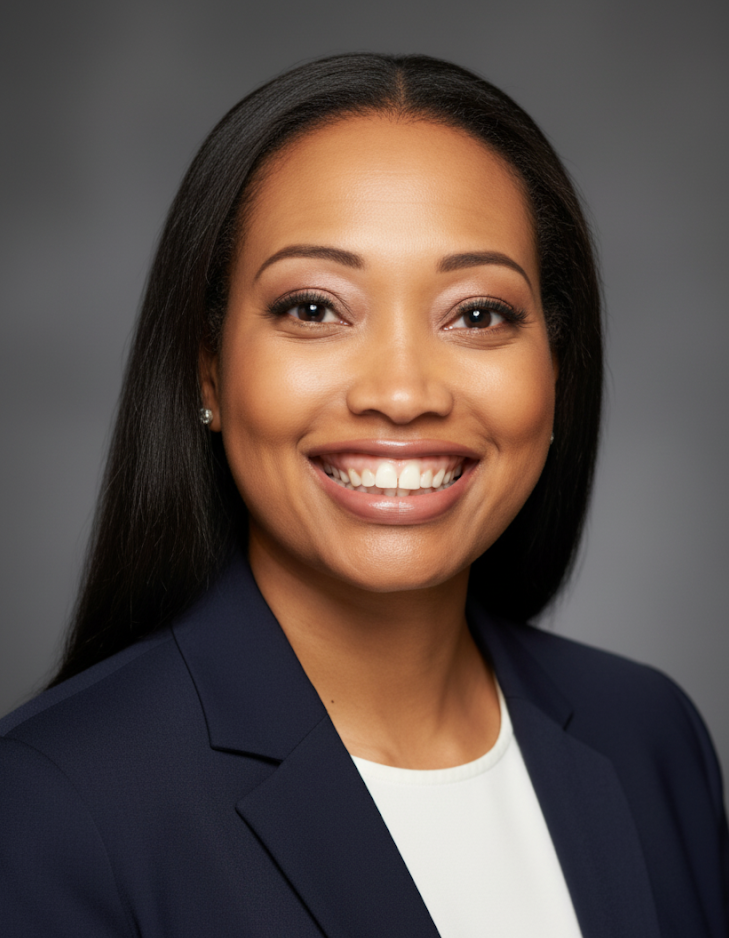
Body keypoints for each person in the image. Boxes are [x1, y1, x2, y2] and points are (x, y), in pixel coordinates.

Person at [0, 52, 726, 938]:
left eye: (476, 313)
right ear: (208, 371)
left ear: (556, 374)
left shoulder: (648, 738)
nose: (402, 390)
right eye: (314, 308)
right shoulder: (51, 801)